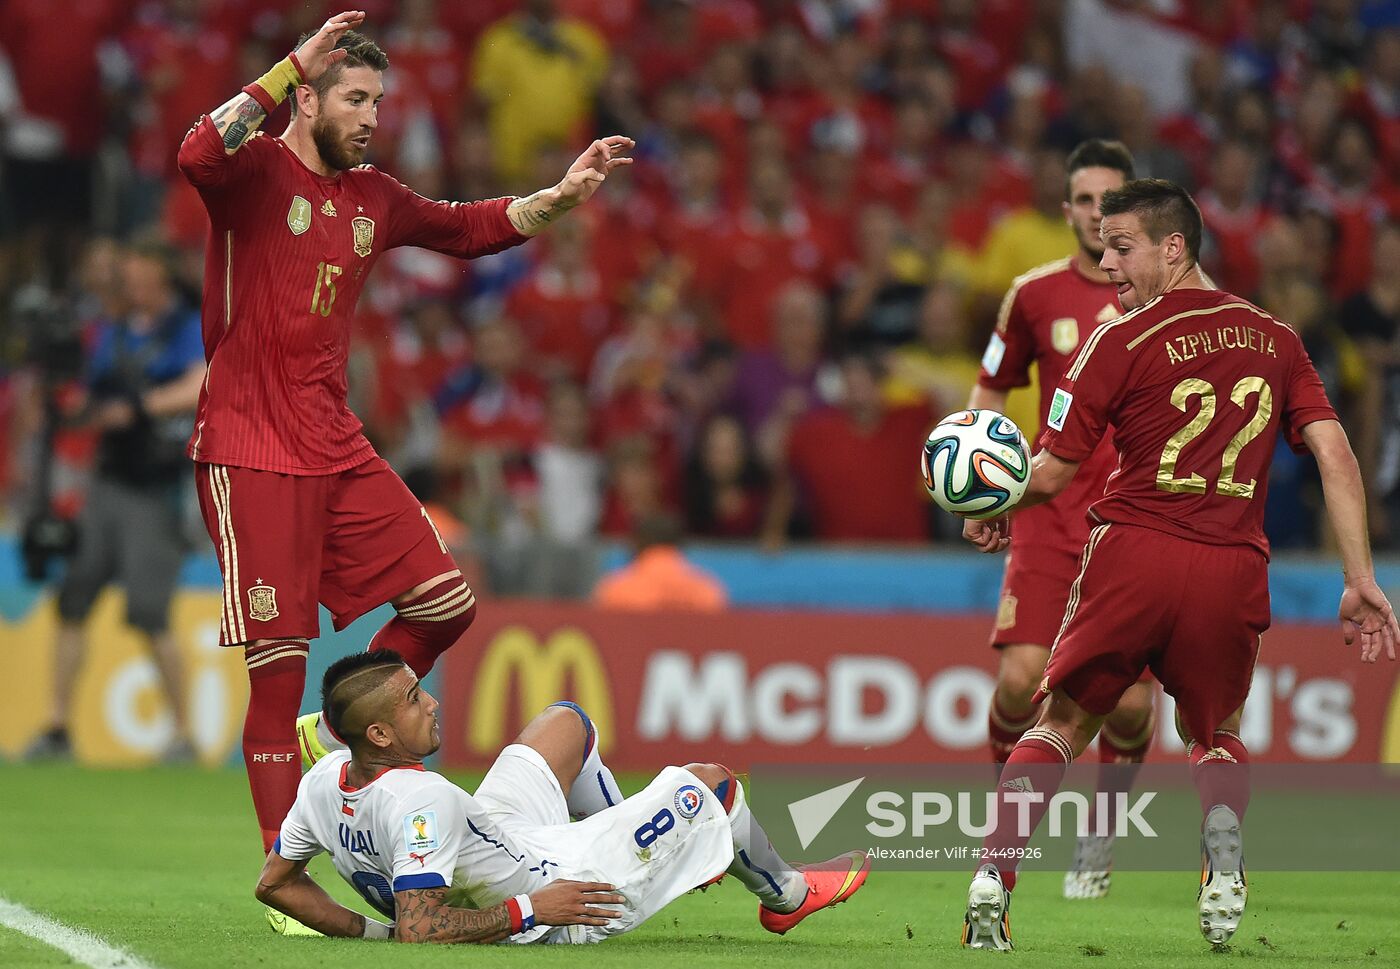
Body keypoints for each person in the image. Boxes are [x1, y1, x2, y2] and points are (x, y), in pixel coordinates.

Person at [175, 8, 635, 910]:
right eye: (353, 98)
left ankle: (334, 728)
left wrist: (560, 195)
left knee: (445, 603)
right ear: (305, 100)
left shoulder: (373, 197)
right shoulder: (255, 170)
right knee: (277, 659)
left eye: (377, 101)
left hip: (335, 443)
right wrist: (283, 67)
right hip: (249, 444)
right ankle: (287, 873)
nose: (371, 116)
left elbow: (467, 228)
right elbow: (196, 153)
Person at [959, 179, 1399, 951]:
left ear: (1174, 246)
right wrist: (1359, 578)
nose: (1107, 267)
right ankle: (1222, 858)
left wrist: (989, 498)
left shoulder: (1116, 342)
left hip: (1133, 552)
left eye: (1122, 248)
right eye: (1099, 249)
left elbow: (1054, 474)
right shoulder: (1278, 339)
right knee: (1217, 734)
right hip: (1231, 563)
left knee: (1061, 722)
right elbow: (1335, 451)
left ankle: (993, 874)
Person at [256, 649, 869, 943]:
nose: (433, 702)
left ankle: (665, 847)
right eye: (415, 699)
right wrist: (533, 910)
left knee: (566, 722)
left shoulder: (322, 780)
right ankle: (784, 895)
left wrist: (369, 933)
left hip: (504, 839)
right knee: (712, 782)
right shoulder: (420, 800)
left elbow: (275, 883)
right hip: (559, 893)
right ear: (382, 734)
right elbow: (420, 928)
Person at [968, 139, 1155, 898]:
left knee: (1136, 704)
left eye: (1110, 201)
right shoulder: (1033, 295)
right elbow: (989, 391)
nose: (1094, 214)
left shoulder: (1162, 301)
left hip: (1135, 522)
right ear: (1068, 207)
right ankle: (1004, 826)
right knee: (1019, 681)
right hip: (1048, 513)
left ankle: (1101, 834)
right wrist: (979, 487)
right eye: (1083, 200)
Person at [25, 241, 206, 763]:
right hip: (106, 483)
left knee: (150, 614)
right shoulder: (112, 332)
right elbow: (89, 397)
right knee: (72, 599)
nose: (127, 285)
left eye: (136, 275)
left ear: (159, 277)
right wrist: (73, 402)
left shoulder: (185, 326)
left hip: (156, 489)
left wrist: (137, 408)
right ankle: (57, 727)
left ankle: (185, 735)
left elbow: (201, 384)